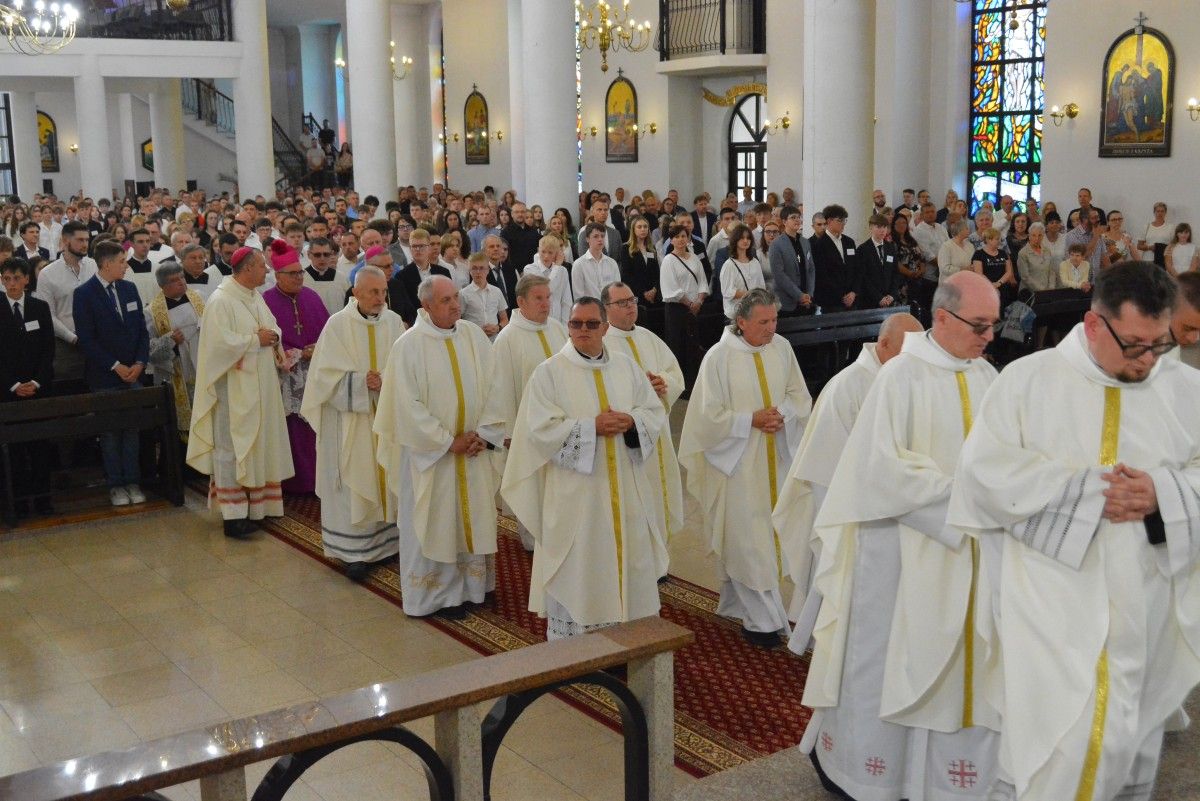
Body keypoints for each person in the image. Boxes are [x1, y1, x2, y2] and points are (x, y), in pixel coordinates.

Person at [948, 262, 1200, 801]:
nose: (1148, 360)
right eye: (1134, 345)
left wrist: (1164, 493)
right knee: (1061, 743)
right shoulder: (1027, 381)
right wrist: (1087, 493)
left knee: (1128, 741)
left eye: (1160, 343)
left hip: (1149, 602)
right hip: (1052, 603)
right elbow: (981, 476)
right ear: (1092, 324)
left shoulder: (1186, 389)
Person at [803, 271, 1002, 801]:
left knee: (960, 659)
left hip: (967, 552)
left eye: (993, 325)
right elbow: (880, 468)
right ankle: (873, 774)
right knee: (886, 660)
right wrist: (965, 497)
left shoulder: (986, 377)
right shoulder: (900, 377)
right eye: (979, 325)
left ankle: (942, 779)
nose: (989, 337)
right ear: (943, 318)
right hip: (897, 552)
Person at [501, 296, 668, 638]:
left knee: (628, 563)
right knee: (581, 566)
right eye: (576, 323)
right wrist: (591, 428)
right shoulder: (549, 373)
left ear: (605, 328)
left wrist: (631, 421)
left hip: (625, 490)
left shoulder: (626, 367)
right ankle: (579, 642)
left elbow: (653, 412)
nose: (583, 330)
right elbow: (539, 431)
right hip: (578, 498)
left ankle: (630, 636)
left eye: (592, 324)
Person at [775, 312, 923, 652]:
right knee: (838, 579)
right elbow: (824, 463)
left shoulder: (902, 379)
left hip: (888, 503)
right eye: (907, 352)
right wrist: (843, 516)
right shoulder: (849, 386)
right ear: (884, 344)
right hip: (848, 505)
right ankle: (824, 646)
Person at [678, 288, 812, 647]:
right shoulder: (719, 358)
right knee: (747, 542)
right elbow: (706, 418)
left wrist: (782, 414)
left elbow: (799, 395)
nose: (771, 328)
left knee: (766, 540)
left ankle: (739, 604)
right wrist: (749, 420)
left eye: (774, 320)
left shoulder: (781, 348)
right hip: (736, 464)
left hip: (776, 458)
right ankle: (762, 622)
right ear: (741, 322)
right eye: (763, 322)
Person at [374, 275, 499, 620]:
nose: (456, 305)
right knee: (435, 521)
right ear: (426, 305)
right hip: (430, 458)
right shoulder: (409, 345)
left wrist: (484, 434)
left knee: (469, 517)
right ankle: (436, 595)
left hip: (472, 450)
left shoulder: (473, 336)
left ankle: (472, 587)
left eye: (456, 297)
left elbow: (495, 385)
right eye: (446, 300)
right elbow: (406, 406)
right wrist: (447, 442)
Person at [301, 266, 405, 581]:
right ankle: (355, 552)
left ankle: (390, 542)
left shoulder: (393, 322)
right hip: (350, 422)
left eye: (383, 291)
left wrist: (384, 379)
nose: (380, 298)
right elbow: (323, 378)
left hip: (384, 418)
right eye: (373, 292)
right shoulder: (338, 325)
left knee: (386, 473)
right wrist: (360, 383)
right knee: (355, 478)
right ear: (356, 292)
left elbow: (405, 366)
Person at [187, 247, 294, 539]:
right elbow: (217, 346)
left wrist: (274, 337)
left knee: (258, 444)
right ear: (247, 268)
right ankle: (233, 516)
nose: (266, 271)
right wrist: (254, 340)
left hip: (260, 385)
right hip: (233, 390)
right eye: (261, 266)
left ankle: (257, 508)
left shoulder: (254, 296)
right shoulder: (221, 301)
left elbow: (272, 328)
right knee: (231, 448)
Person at [480, 273, 569, 551]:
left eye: (548, 297)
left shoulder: (557, 329)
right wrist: (507, 431)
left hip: (562, 425)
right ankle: (533, 539)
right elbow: (500, 386)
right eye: (538, 298)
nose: (546, 304)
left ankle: (560, 533)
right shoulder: (508, 338)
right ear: (521, 302)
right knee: (533, 484)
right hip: (527, 429)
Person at [602, 280, 685, 570]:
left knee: (661, 495)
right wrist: (641, 395)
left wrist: (664, 382)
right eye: (622, 302)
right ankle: (640, 564)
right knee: (638, 501)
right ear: (606, 308)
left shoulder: (649, 338)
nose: (630, 307)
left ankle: (660, 561)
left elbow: (674, 372)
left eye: (632, 300)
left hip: (658, 432)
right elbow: (604, 391)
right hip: (631, 439)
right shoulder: (603, 344)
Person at [73, 240, 150, 507]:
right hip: (105, 375)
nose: (126, 266)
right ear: (106, 264)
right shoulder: (84, 294)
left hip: (133, 372)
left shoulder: (129, 288)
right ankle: (116, 485)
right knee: (109, 432)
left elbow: (141, 330)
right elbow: (87, 339)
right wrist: (115, 365)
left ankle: (133, 481)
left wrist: (140, 362)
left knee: (131, 429)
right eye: (122, 261)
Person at [263, 239, 330, 495]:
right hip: (285, 379)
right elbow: (268, 342)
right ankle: (294, 482)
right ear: (278, 276)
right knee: (292, 430)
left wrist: (317, 350)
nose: (299, 277)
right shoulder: (266, 302)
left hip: (314, 375)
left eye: (300, 272)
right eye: (292, 274)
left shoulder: (311, 297)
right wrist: (299, 353)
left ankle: (318, 480)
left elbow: (329, 334)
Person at [0, 257, 54, 516]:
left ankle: (43, 500)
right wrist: (12, 385)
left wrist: (36, 381)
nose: (12, 284)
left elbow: (48, 349)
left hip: (37, 388)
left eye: (16, 278)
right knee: (14, 451)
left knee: (40, 447)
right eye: (6, 279)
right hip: (7, 392)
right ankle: (18, 502)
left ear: (26, 279)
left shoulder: (39, 307)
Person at [145, 262, 205, 444]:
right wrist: (169, 340)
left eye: (182, 277)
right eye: (174, 280)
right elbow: (147, 348)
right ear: (162, 285)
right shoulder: (151, 312)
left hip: (204, 367)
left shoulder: (200, 298)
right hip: (178, 373)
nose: (181, 282)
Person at [34, 220, 97, 382]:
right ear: (65, 241)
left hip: (97, 341)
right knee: (69, 389)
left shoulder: (94, 266)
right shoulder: (48, 274)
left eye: (87, 240)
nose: (85, 244)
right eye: (80, 240)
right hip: (65, 344)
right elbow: (47, 315)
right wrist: (73, 338)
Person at [659, 223, 709, 393]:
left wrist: (699, 301)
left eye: (683, 236)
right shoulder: (668, 260)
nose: (681, 239)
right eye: (677, 236)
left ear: (688, 239)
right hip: (677, 310)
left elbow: (702, 281)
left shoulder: (694, 257)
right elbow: (671, 288)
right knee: (678, 346)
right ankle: (681, 387)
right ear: (671, 240)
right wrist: (690, 303)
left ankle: (693, 384)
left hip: (695, 309)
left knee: (693, 347)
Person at [811, 204, 860, 312]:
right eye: (840, 220)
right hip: (832, 301)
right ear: (829, 221)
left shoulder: (849, 242)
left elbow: (856, 269)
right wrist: (842, 295)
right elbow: (822, 275)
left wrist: (853, 292)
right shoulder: (819, 244)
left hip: (852, 300)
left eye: (844, 220)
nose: (843, 223)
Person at [768, 205, 815, 314]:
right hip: (787, 302)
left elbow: (811, 269)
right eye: (793, 217)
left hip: (807, 300)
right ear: (784, 221)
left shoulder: (805, 242)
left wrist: (809, 294)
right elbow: (779, 275)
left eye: (799, 217)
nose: (797, 220)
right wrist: (799, 295)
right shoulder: (776, 244)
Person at [719, 223, 767, 320]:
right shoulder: (729, 265)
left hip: (754, 312)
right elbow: (727, 292)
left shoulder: (755, 262)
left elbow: (762, 286)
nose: (746, 241)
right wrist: (750, 294)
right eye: (742, 238)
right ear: (735, 240)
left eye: (748, 238)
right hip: (736, 314)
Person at [523, 235, 573, 324]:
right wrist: (557, 266)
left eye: (550, 253)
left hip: (558, 321)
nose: (546, 256)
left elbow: (566, 301)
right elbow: (546, 290)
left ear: (557, 254)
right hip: (537, 321)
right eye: (543, 251)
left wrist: (565, 326)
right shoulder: (530, 269)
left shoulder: (563, 271)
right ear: (538, 250)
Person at [461, 252, 509, 340]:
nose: (478, 272)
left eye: (481, 268)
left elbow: (504, 319)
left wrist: (497, 328)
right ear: (469, 270)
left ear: (488, 270)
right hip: (473, 340)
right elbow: (458, 321)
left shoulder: (496, 291)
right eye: (474, 268)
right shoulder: (463, 293)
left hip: (494, 340)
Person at [858, 213, 901, 308]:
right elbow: (863, 277)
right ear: (870, 228)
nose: (883, 230)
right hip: (870, 300)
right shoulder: (863, 249)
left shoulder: (890, 247)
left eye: (885, 227)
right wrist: (879, 298)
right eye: (878, 227)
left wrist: (892, 295)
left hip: (889, 299)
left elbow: (896, 273)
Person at [572, 222, 621, 300]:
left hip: (609, 305)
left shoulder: (612, 263)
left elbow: (617, 290)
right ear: (587, 239)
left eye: (602, 236)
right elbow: (578, 295)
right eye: (596, 236)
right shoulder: (578, 264)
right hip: (589, 306)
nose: (600, 239)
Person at [302, 236, 350, 316]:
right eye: (317, 255)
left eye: (326, 254)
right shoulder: (301, 279)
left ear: (331, 254)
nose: (322, 258)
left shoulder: (342, 278)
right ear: (309, 255)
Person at [1138, 201, 1172, 267]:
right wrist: (1150, 247)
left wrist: (1161, 248)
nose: (1160, 213)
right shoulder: (1147, 226)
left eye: (1162, 211)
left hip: (1163, 261)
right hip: (1147, 260)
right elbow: (1139, 246)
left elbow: (1173, 246)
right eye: (1158, 211)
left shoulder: (1170, 227)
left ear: (1165, 213)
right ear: (1154, 212)